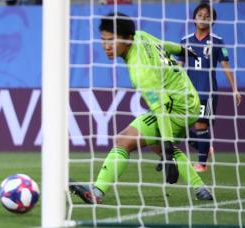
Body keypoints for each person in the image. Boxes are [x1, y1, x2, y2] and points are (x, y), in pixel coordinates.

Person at [69, 13, 214, 205]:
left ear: (128, 39)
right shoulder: (140, 35)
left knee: (124, 140)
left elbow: (161, 109)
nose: (107, 46)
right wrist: (183, 50)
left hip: (176, 107)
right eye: (103, 41)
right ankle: (201, 189)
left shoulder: (141, 72)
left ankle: (97, 192)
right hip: (188, 99)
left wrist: (169, 152)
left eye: (112, 40)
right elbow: (164, 44)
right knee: (156, 143)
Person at [178, 4, 241, 172]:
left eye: (207, 16)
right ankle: (203, 148)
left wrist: (234, 88)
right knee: (179, 126)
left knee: (201, 125)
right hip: (188, 91)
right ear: (194, 17)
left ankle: (201, 164)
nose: (203, 18)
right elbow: (178, 66)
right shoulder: (185, 41)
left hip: (208, 91)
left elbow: (225, 66)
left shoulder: (217, 42)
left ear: (212, 20)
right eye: (200, 15)